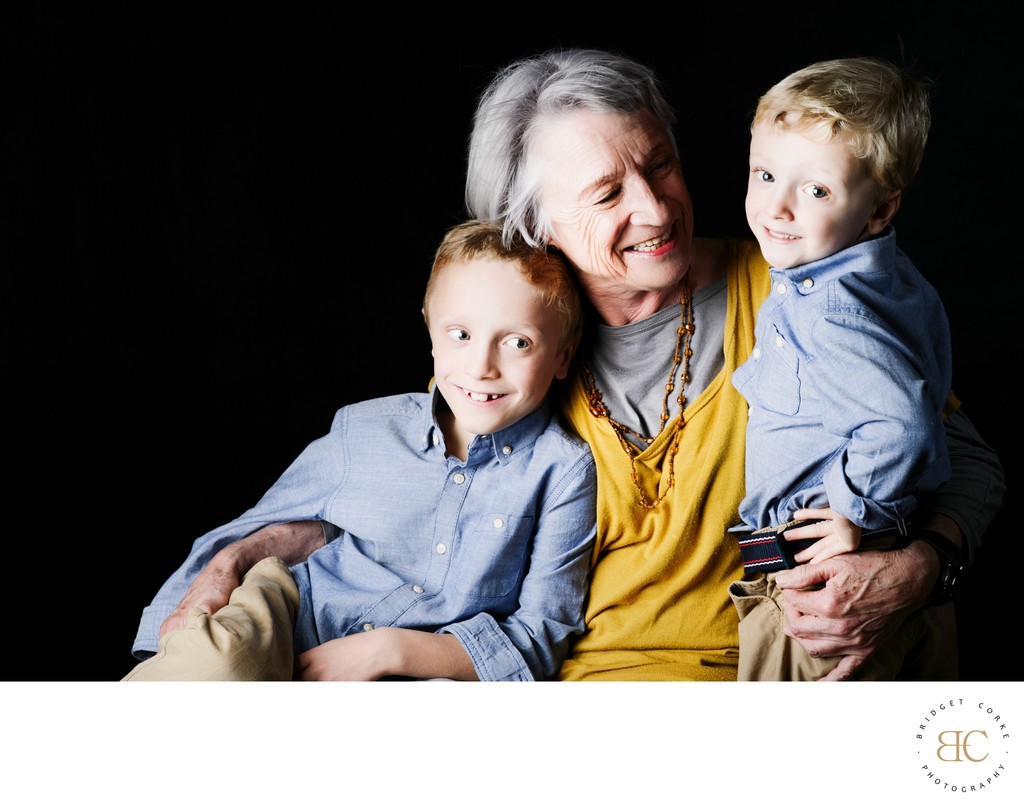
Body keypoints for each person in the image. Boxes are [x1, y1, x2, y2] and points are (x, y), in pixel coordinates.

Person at [131, 48, 1005, 682]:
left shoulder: (798, 290)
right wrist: (238, 565)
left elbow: (964, 457)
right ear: (531, 222)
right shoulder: (512, 346)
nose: (655, 204)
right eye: (605, 193)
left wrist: (921, 563)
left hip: (764, 677)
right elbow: (386, 504)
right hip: (574, 700)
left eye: (659, 164)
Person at [125, 219, 597, 681]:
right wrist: (171, 639)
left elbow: (540, 632)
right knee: (222, 663)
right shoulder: (366, 429)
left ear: (562, 356)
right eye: (461, 335)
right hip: (291, 615)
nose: (481, 366)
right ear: (430, 331)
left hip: (419, 667)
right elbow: (253, 528)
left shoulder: (564, 472)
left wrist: (387, 650)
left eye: (518, 342)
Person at [726, 57, 956, 680]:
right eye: (765, 174)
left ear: (879, 211)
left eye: (817, 190)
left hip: (820, 582)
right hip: (889, 562)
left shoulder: (826, 308)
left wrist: (857, 509)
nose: (777, 207)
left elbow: (904, 425)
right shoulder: (893, 282)